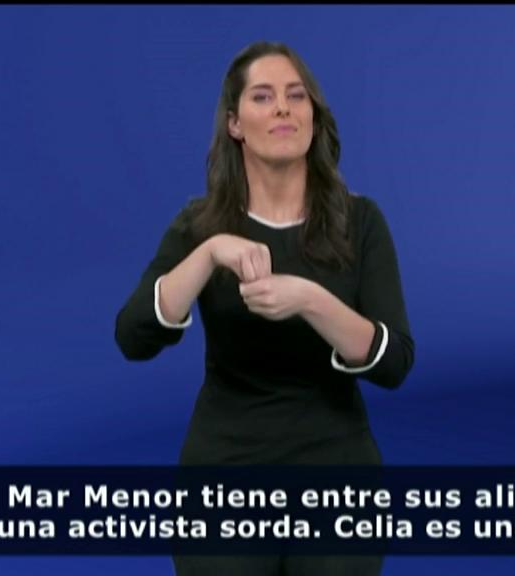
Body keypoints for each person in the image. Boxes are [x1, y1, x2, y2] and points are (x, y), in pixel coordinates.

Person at [114, 41, 414, 576]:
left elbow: (394, 365)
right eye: (263, 96)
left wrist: (312, 300)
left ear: (313, 119)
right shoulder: (198, 225)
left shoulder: (362, 222)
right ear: (234, 123)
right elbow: (133, 338)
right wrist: (208, 254)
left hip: (336, 470)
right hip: (224, 471)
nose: (282, 108)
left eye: (297, 96)